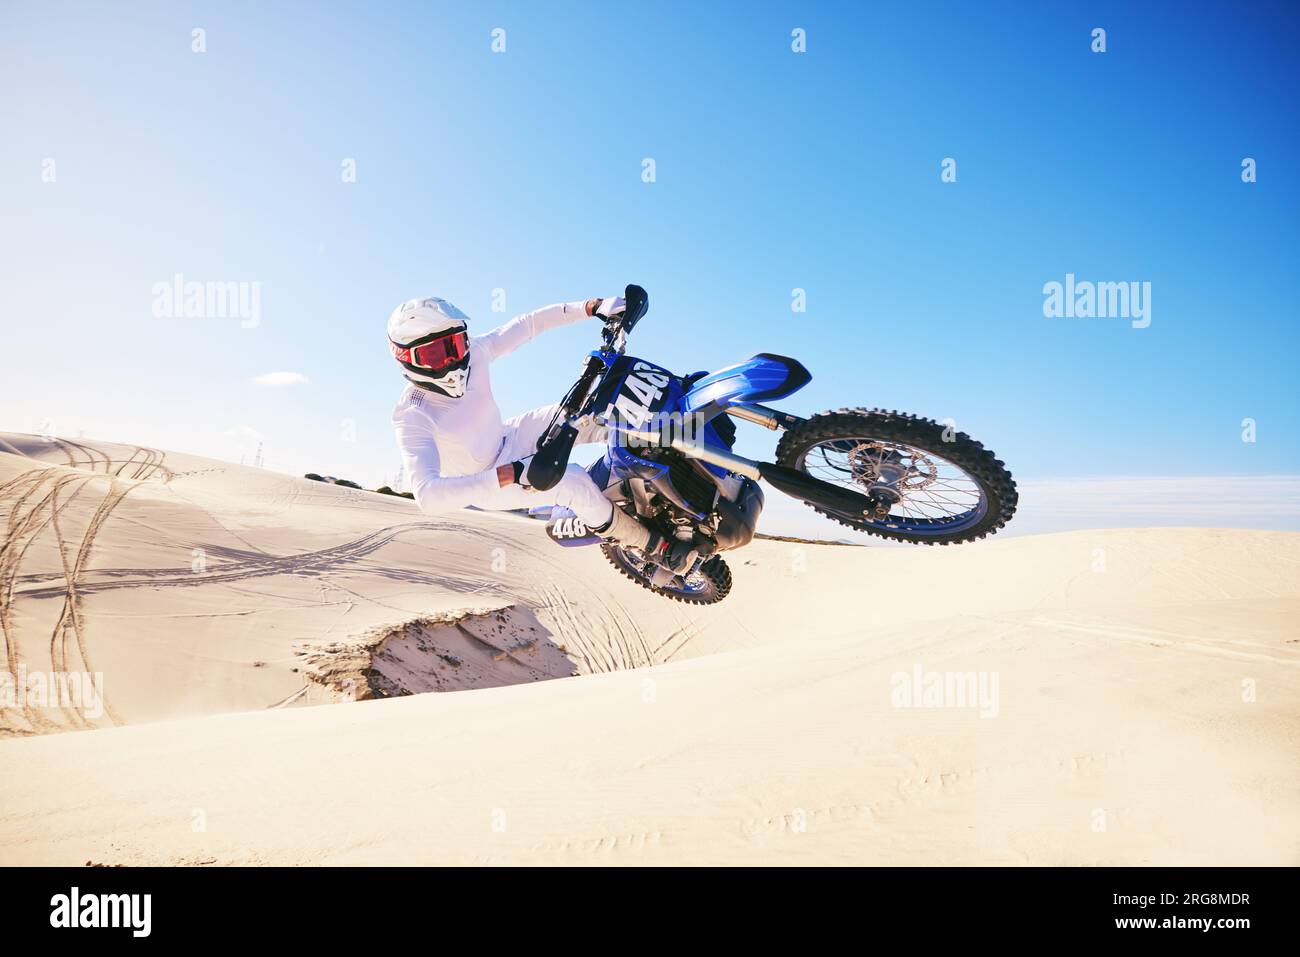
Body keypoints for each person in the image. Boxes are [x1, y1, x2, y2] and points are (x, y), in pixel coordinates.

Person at [388, 294, 688, 567]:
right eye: (436, 355)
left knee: (595, 413)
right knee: (573, 481)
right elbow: (428, 496)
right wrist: (511, 473)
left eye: (456, 344)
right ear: (407, 360)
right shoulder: (413, 414)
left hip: (510, 435)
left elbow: (529, 324)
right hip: (491, 480)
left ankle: (676, 463)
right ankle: (654, 547)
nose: (454, 359)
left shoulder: (475, 352)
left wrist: (591, 307)